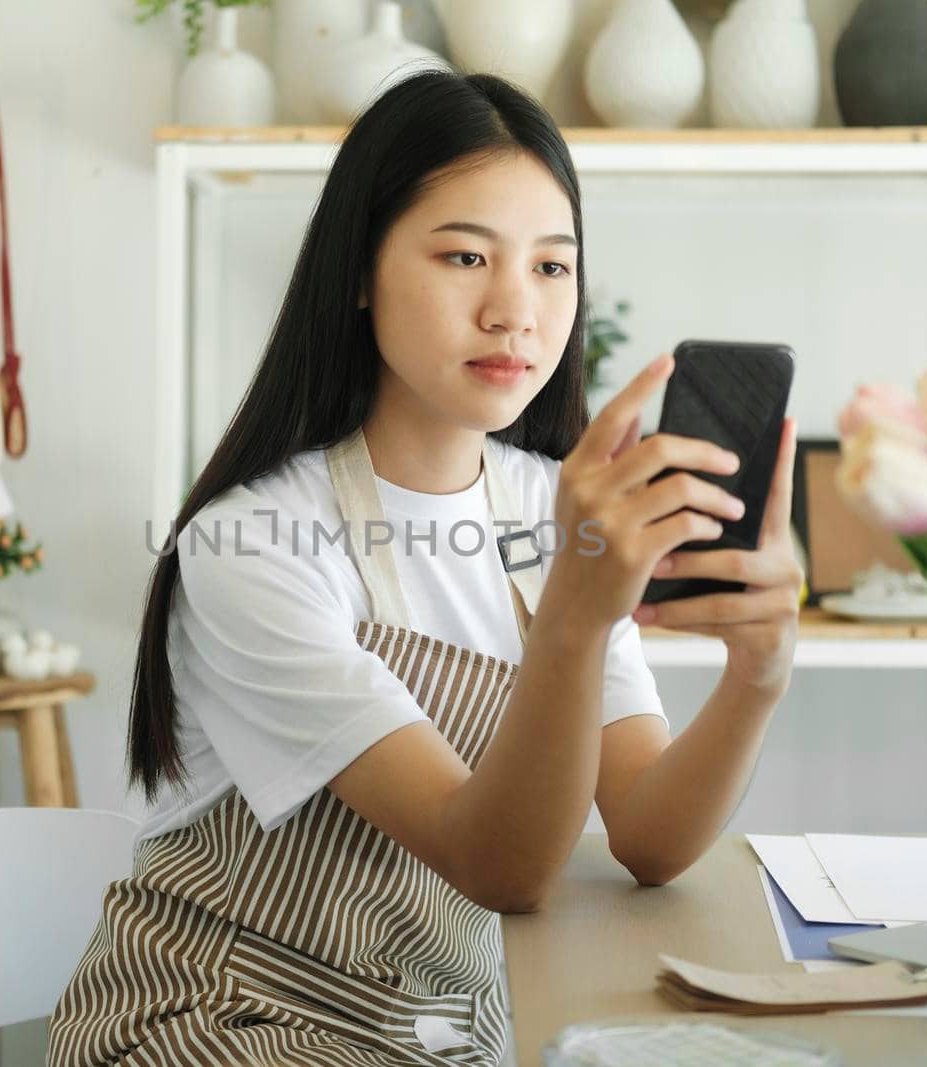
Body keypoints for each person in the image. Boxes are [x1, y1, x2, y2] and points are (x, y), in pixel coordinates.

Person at [48, 69, 802, 1067]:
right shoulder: (252, 544)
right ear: (359, 270)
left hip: (436, 1034)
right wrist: (574, 617)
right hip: (219, 1017)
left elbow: (649, 835)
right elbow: (501, 867)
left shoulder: (554, 505)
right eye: (463, 256)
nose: (514, 311)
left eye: (550, 267)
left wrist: (758, 674)